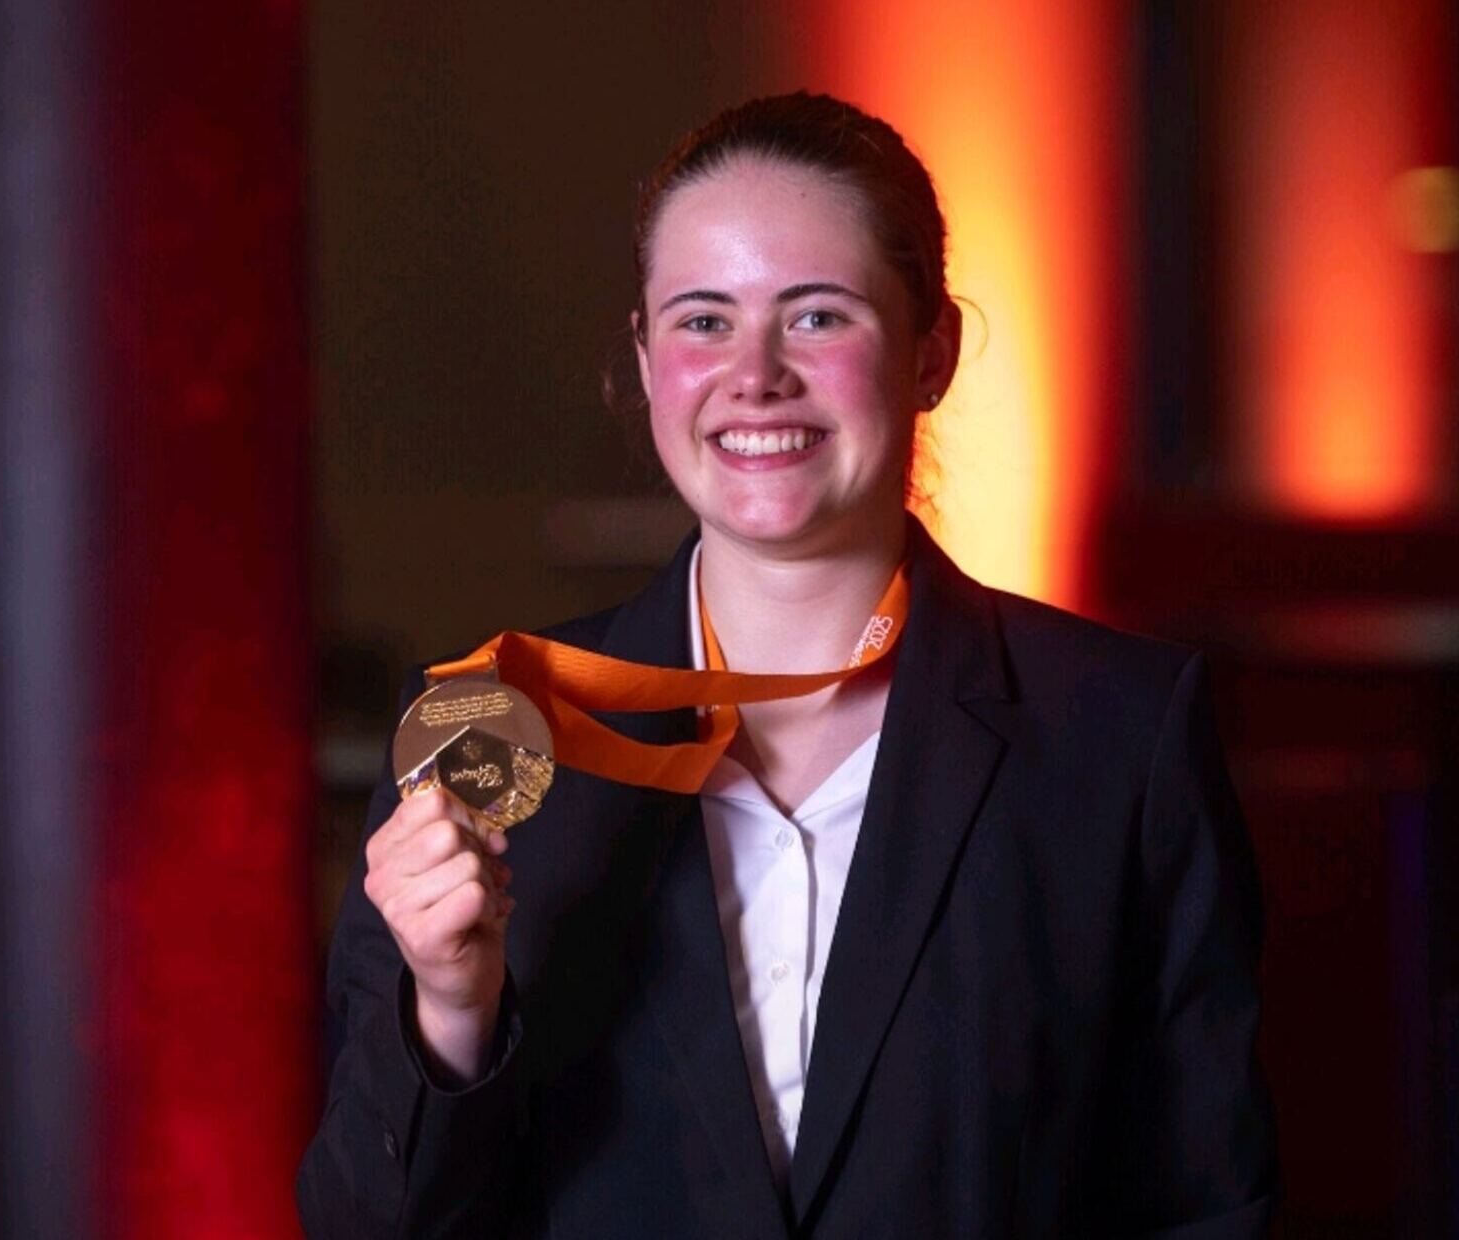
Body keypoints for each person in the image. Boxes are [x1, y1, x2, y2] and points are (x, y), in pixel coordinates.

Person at [298, 92, 1276, 1239]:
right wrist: (449, 1010)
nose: (754, 374)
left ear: (932, 352)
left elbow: (1205, 1205)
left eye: (817, 316)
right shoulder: (490, 729)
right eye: (703, 321)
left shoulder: (1116, 738)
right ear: (645, 359)